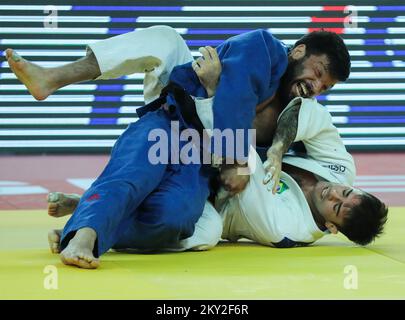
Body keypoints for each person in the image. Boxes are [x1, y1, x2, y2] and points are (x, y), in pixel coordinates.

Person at [6, 26, 352, 268]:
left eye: (326, 86)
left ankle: (82, 218)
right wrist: (235, 159)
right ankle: (85, 235)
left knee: (175, 218)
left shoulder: (299, 111)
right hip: (173, 119)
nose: (317, 86)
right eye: (318, 72)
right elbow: (238, 92)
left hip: (199, 159)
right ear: (298, 52)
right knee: (134, 174)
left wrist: (264, 152)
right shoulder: (263, 48)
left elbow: (269, 135)